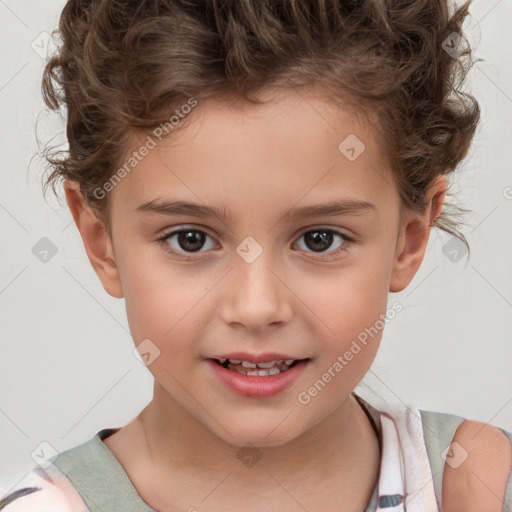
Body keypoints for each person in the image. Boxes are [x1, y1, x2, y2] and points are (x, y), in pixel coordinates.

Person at [1, 0, 511, 510]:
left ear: (411, 237)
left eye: (319, 239)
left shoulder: (477, 484)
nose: (256, 307)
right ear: (101, 240)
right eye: (190, 239)